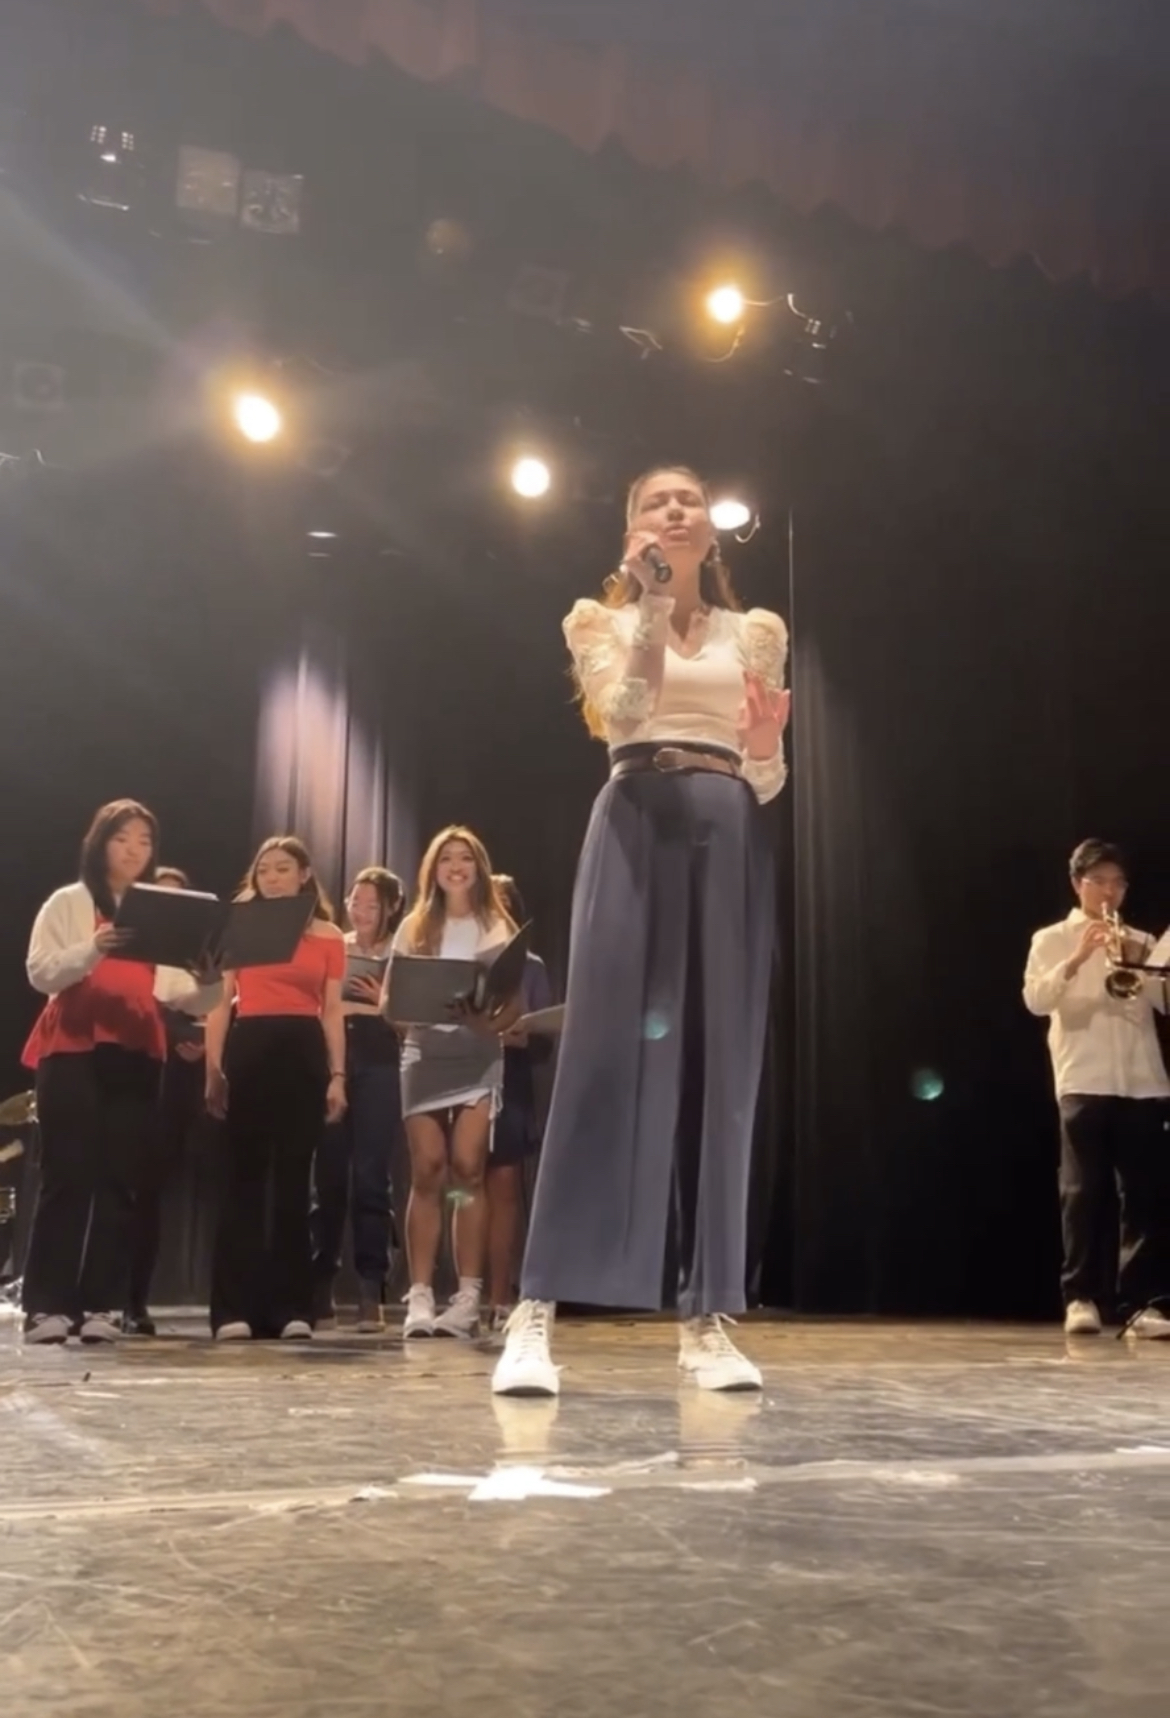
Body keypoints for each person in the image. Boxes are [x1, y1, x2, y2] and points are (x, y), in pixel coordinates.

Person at [492, 465, 790, 1398]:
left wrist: (767, 744)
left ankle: (706, 1319)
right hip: (632, 818)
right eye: (656, 502)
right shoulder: (598, 620)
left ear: (711, 528)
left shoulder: (758, 632)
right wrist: (652, 606)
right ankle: (534, 1311)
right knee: (599, 1058)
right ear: (633, 531)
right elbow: (619, 714)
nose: (675, 509)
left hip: (728, 825)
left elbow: (767, 775)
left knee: (720, 1066)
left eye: (688, 499)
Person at [20, 801, 220, 1345]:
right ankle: (47, 1306)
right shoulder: (69, 901)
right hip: (73, 1047)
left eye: (144, 841)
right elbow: (40, 972)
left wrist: (209, 981)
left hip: (135, 1050)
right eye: (122, 838)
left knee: (120, 1180)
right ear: (100, 843)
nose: (134, 850)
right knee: (67, 1176)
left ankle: (103, 1305)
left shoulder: (156, 911)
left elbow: (181, 993)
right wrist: (94, 947)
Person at [1023, 839, 1170, 1339]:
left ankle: (1139, 1305)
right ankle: (1080, 1297)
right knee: (1082, 1192)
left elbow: (1164, 1003)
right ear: (1077, 884)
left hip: (1142, 1079)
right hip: (1083, 1077)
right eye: (1099, 881)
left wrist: (1148, 967)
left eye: (1118, 883)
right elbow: (1036, 1000)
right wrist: (1078, 957)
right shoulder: (1051, 939)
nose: (1110, 892)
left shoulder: (1141, 939)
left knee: (1144, 1197)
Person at [205, 836, 347, 1341]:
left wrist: (337, 1075)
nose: (272, 877)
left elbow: (332, 1010)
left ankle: (291, 1308)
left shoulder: (328, 935)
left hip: (303, 1051)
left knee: (292, 1182)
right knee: (242, 1180)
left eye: (283, 868)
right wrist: (213, 1068)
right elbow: (220, 1001)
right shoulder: (240, 924)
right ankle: (233, 1310)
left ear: (304, 875)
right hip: (251, 1046)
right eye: (264, 869)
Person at [383, 827, 520, 1339]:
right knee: (427, 1170)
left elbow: (513, 1006)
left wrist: (487, 1023)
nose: (456, 867)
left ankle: (466, 1298)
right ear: (433, 870)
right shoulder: (414, 926)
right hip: (424, 1053)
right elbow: (388, 1002)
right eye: (447, 859)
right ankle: (420, 1295)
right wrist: (409, 1013)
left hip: (476, 1056)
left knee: (467, 1171)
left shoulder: (496, 925)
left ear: (478, 868)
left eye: (465, 858)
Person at [311, 865, 404, 1333]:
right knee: (327, 1176)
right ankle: (319, 1285)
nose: (361, 911)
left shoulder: (402, 953)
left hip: (381, 1054)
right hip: (334, 1049)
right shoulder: (334, 944)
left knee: (371, 1176)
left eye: (372, 904)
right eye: (355, 901)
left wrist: (384, 1000)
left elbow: (413, 1021)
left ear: (391, 908)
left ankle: (371, 1290)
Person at [123, 864, 208, 1336]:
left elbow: (207, 1003)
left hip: (174, 1080)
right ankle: (96, 1296)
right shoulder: (125, 943)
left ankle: (135, 1300)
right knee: (118, 1188)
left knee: (150, 1192)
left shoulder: (192, 954)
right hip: (125, 1068)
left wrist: (200, 1043)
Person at [480, 874, 554, 1330]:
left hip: (512, 1078)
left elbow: (543, 1040)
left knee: (505, 1185)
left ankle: (500, 1296)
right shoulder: (459, 955)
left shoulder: (531, 966)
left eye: (504, 903)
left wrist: (524, 1035)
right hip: (463, 1072)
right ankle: (466, 1292)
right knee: (461, 1183)